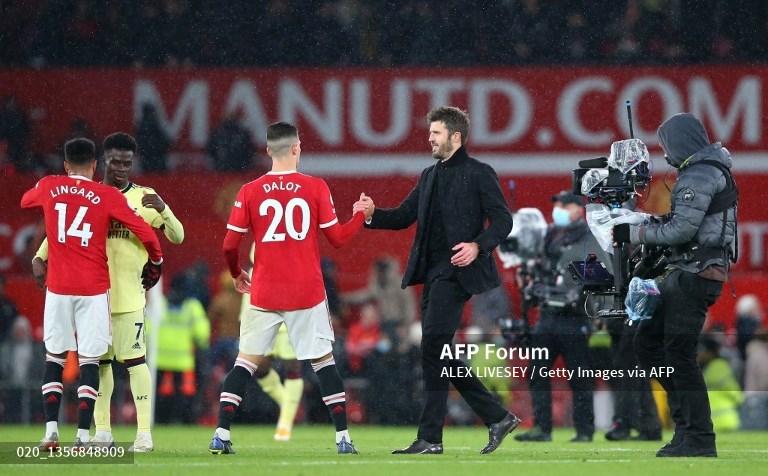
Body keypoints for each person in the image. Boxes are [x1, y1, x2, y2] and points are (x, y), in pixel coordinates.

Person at [360, 106, 519, 455]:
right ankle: (485, 420)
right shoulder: (429, 176)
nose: (429, 138)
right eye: (430, 133)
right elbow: (402, 217)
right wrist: (372, 216)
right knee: (435, 351)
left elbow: (503, 221)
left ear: (455, 137)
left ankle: (439, 434)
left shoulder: (480, 173)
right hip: (431, 276)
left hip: (457, 274)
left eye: (435, 133)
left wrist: (479, 246)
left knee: (433, 346)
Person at [208, 121, 371, 455]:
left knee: (245, 363)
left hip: (264, 291)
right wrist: (360, 215)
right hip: (305, 292)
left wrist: (237, 272)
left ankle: (221, 433)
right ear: (297, 148)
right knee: (324, 364)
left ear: (268, 150)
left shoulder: (249, 190)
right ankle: (342, 438)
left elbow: (228, 245)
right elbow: (338, 239)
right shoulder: (314, 187)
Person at [33, 132, 184, 452]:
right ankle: (103, 432)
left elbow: (178, 236)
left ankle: (144, 434)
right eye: (115, 162)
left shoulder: (145, 197)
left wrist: (165, 209)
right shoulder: (92, 195)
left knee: (135, 363)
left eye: (127, 163)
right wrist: (41, 255)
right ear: (102, 161)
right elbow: (64, 233)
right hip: (95, 296)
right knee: (98, 366)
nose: (121, 168)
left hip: (129, 296)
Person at [614, 112, 738, 457]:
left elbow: (682, 231)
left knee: (677, 356)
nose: (665, 153)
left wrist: (634, 231)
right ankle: (687, 432)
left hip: (694, 273)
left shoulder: (700, 174)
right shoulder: (705, 171)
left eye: (666, 145)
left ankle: (698, 438)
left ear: (679, 143)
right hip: (689, 271)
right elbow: (681, 224)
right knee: (651, 346)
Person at [514, 191, 606, 443]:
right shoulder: (552, 236)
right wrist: (531, 279)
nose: (558, 209)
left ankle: (584, 431)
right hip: (547, 315)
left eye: (564, 205)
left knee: (579, 376)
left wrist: (573, 291)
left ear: (579, 209)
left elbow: (597, 278)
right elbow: (542, 268)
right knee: (537, 371)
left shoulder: (590, 239)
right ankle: (542, 428)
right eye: (556, 205)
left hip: (574, 317)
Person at [155, 274, 210, 424]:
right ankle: (180, 419)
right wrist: (203, 346)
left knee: (156, 391)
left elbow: (147, 326)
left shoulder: (160, 303)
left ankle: (159, 419)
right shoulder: (192, 306)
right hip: (182, 358)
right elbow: (201, 333)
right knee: (181, 393)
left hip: (159, 357)